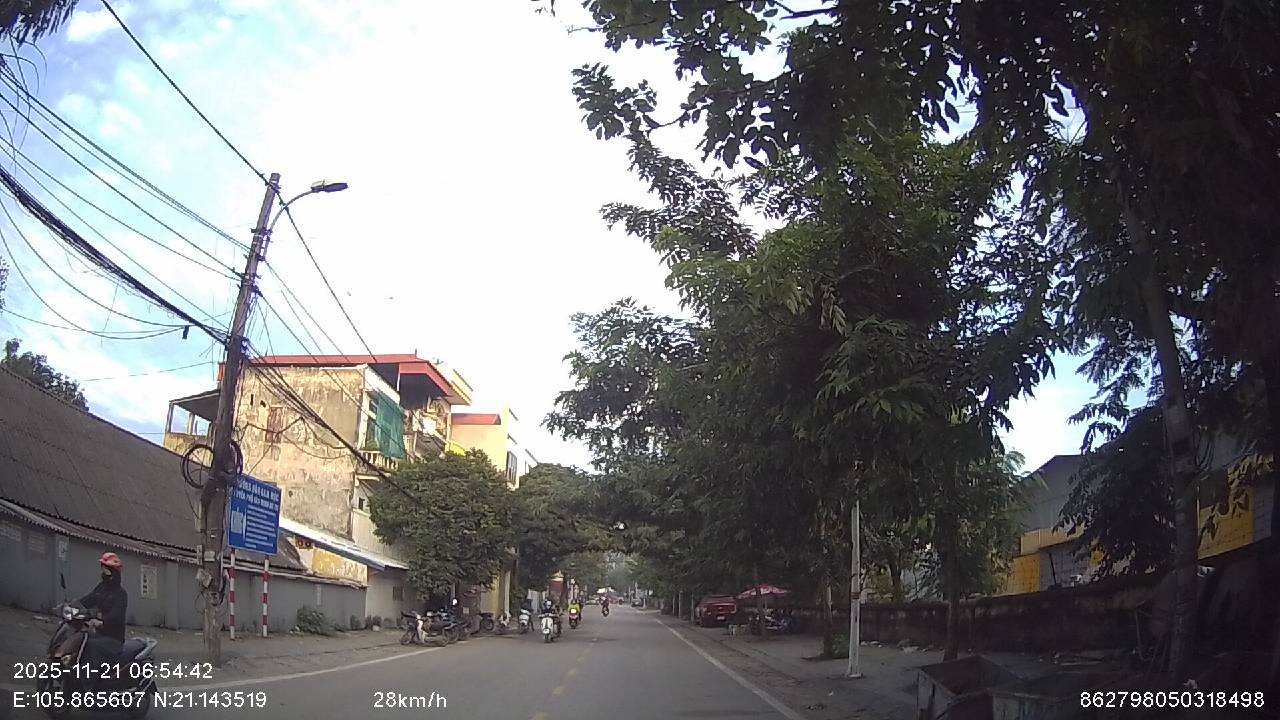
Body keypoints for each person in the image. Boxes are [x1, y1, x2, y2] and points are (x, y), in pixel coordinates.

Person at [77, 552, 128, 678]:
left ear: (113, 572)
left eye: (106, 569)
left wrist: (101, 622)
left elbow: (116, 616)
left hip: (113, 639)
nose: (103, 572)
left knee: (90, 646)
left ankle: (88, 684)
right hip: (98, 634)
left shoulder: (120, 594)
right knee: (78, 639)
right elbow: (88, 600)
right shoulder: (101, 588)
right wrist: (71, 607)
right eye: (103, 569)